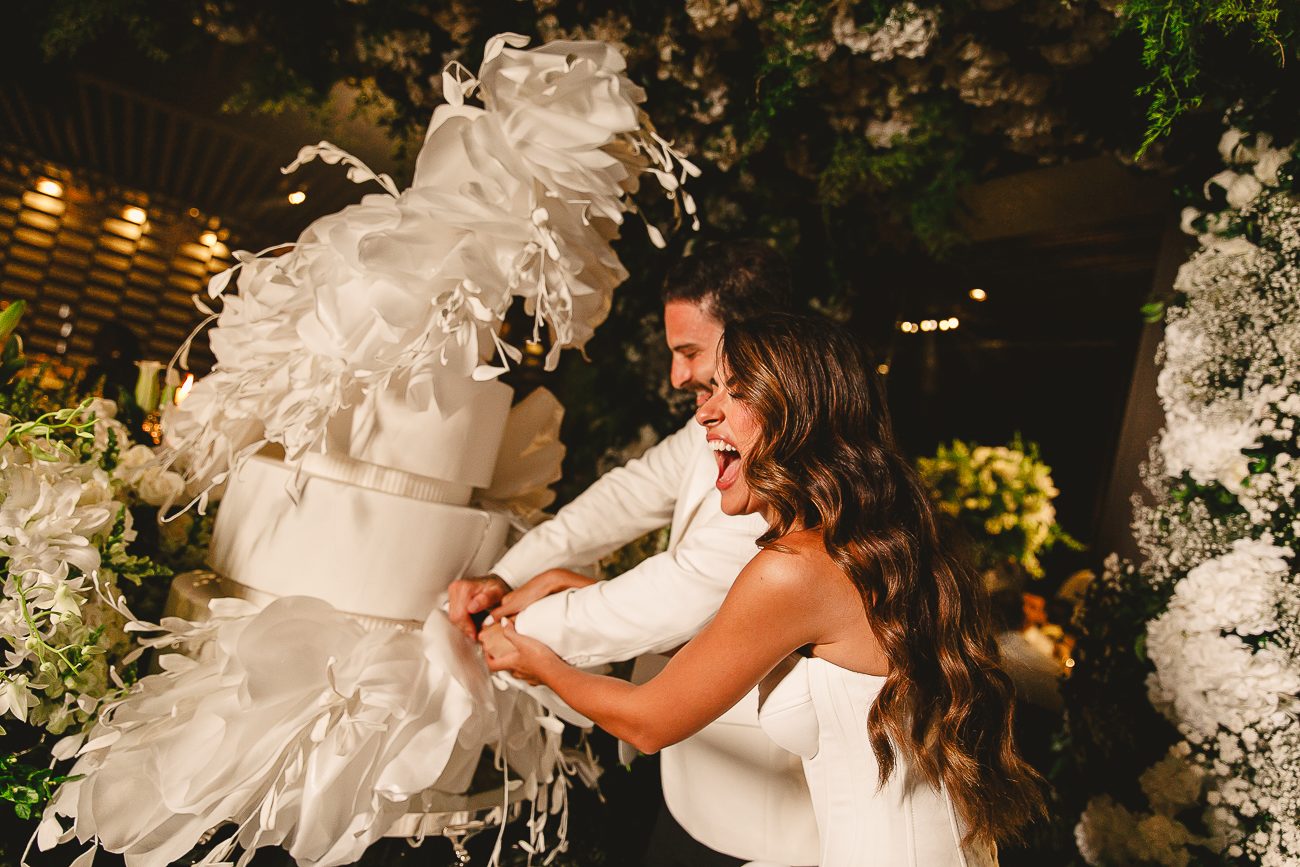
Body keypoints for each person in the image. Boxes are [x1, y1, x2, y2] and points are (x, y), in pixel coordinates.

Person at [482, 314, 1045, 867]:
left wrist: (541, 662)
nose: (705, 411)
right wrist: (579, 585)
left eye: (736, 389)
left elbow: (647, 723)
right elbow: (732, 648)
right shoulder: (874, 544)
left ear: (798, 416)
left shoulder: (794, 569)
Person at [448, 240, 820, 867]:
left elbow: (685, 591)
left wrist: (520, 630)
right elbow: (622, 499)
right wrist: (506, 576)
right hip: (691, 776)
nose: (677, 377)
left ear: (753, 341)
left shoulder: (792, 459)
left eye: (691, 352)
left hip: (757, 808)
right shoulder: (713, 424)